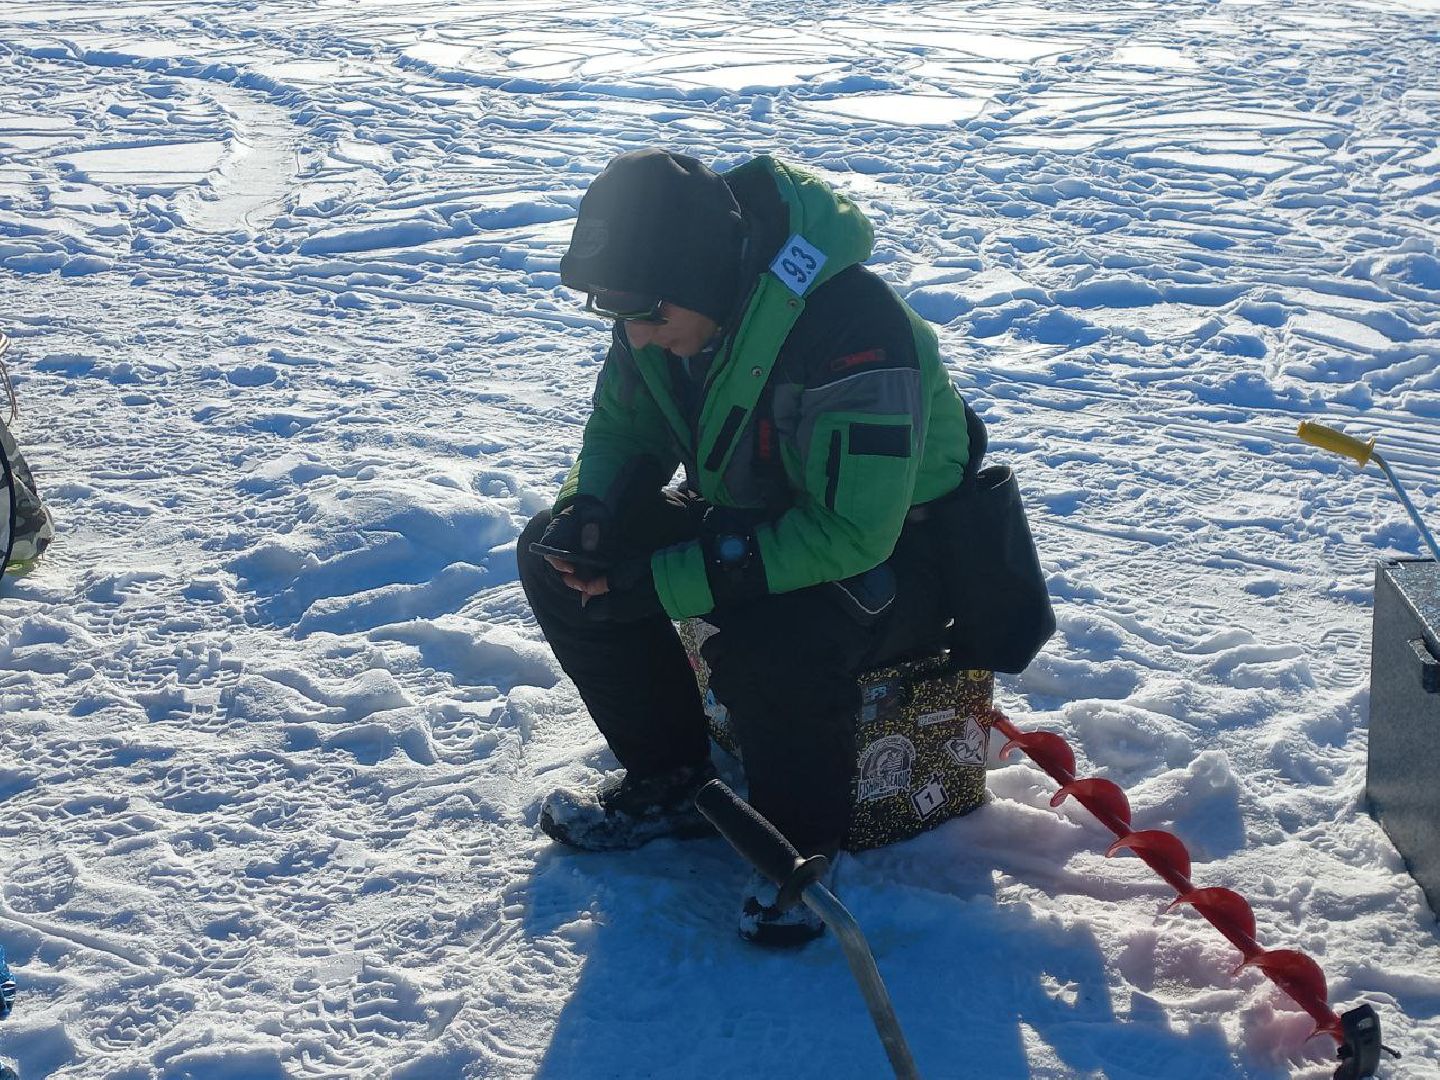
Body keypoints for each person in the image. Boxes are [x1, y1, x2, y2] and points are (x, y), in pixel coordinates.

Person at [517, 149, 984, 946]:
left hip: (902, 558)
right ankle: (671, 778)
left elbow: (848, 532)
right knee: (555, 562)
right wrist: (590, 511)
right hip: (760, 518)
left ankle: (798, 852)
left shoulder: (853, 326)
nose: (634, 335)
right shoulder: (665, 309)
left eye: (650, 316)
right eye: (617, 315)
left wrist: (658, 582)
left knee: (773, 639)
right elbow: (624, 428)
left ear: (707, 279)